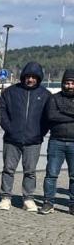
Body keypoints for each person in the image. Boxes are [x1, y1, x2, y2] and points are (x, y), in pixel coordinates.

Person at [0, 61, 51, 211]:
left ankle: (28, 198)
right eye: (28, 76)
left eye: (34, 77)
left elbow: (48, 117)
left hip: (33, 140)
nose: (30, 79)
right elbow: (2, 112)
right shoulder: (10, 92)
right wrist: (9, 129)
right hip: (11, 139)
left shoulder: (45, 95)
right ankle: (6, 197)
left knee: (30, 171)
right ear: (23, 77)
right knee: (8, 169)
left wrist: (40, 132)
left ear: (39, 78)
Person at [40, 69, 74, 215]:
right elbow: (52, 116)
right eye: (67, 82)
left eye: (73, 83)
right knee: (51, 174)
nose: (70, 85)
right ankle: (48, 203)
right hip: (56, 142)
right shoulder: (54, 98)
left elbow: (59, 115)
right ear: (63, 83)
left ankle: (72, 205)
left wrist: (63, 113)